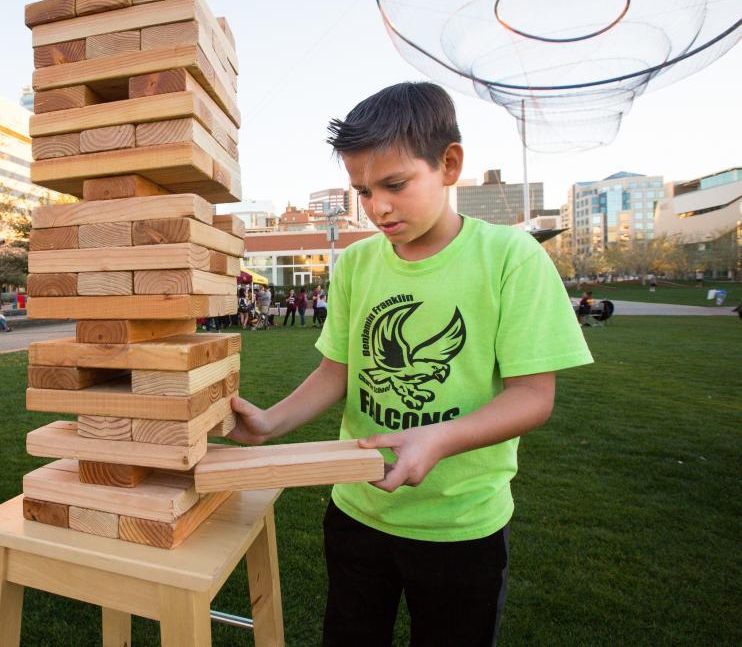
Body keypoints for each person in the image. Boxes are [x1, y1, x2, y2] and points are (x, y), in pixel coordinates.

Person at [227, 82, 593, 645]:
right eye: (363, 191)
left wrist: (438, 439)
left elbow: (532, 396)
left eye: (394, 184)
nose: (378, 207)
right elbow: (338, 371)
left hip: (460, 525)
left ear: (449, 165)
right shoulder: (355, 263)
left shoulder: (511, 258)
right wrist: (271, 423)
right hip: (356, 509)